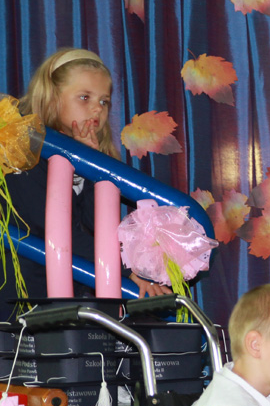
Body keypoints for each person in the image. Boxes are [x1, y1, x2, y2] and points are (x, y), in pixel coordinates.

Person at [4, 47, 167, 317]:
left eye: (104, 101)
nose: (97, 109)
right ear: (51, 98)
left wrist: (87, 166)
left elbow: (96, 223)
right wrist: (128, 269)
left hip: (56, 287)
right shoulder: (22, 151)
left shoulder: (77, 155)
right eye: (84, 97)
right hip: (17, 291)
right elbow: (49, 224)